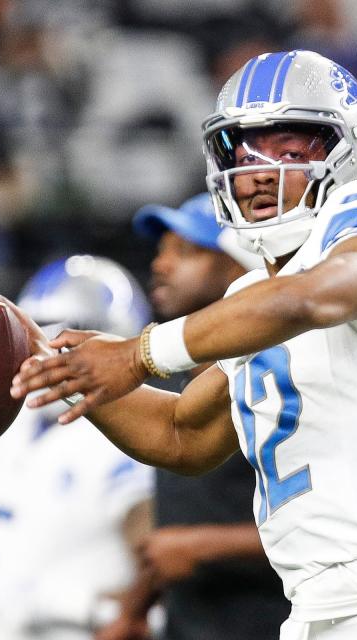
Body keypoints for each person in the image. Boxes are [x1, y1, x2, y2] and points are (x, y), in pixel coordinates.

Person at [0, 50, 357, 639]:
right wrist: (46, 356)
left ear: (348, 147)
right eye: (244, 148)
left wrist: (138, 352)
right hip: (320, 611)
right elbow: (183, 431)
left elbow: (313, 299)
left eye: (290, 147)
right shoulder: (255, 294)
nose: (259, 169)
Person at [0, 255, 156, 640]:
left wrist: (83, 606)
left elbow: (159, 569)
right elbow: (13, 531)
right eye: (32, 335)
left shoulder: (123, 433)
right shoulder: (14, 424)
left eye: (60, 338)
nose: (40, 352)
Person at [97, 194, 288, 640]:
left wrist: (206, 548)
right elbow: (173, 534)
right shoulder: (169, 384)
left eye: (185, 252)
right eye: (161, 251)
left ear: (240, 269)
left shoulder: (283, 375)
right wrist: (134, 610)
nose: (160, 265)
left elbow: (341, 522)